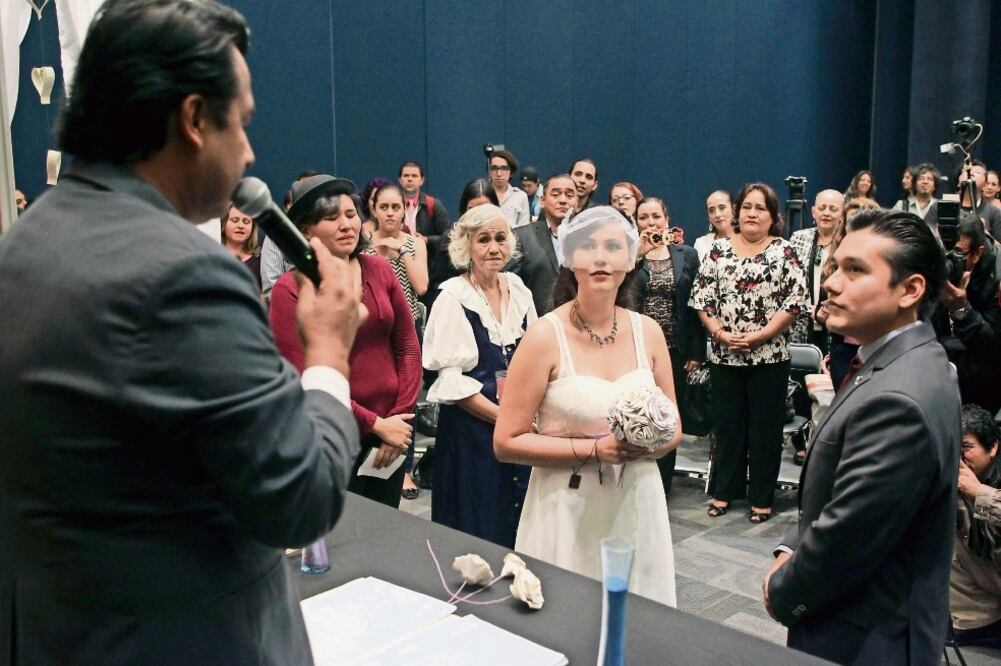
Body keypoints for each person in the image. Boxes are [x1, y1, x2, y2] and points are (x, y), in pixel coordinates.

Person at [0, 2, 363, 663]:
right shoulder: (182, 273)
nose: (250, 152)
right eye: (243, 123)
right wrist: (330, 353)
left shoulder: (28, 240)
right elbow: (299, 501)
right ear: (194, 119)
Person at [764, 209, 960, 665]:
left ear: (910, 290)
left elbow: (850, 537)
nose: (831, 283)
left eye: (855, 271)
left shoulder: (900, 398)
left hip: (869, 637)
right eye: (835, 266)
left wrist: (782, 589)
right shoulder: (906, 359)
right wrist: (790, 544)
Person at [495, 206, 681, 607]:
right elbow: (506, 441)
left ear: (630, 259)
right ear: (569, 259)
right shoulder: (545, 335)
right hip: (566, 504)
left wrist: (647, 444)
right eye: (589, 246)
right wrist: (594, 450)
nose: (601, 257)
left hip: (637, 496)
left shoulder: (647, 332)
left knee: (639, 618)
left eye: (613, 246)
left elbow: (675, 426)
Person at [270, 175, 421, 508]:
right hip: (335, 435)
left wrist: (401, 421)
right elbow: (300, 378)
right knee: (340, 539)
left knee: (383, 532)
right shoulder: (289, 290)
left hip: (394, 432)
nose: (346, 224)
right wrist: (376, 425)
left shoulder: (380, 269)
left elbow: (408, 347)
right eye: (331, 217)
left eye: (351, 214)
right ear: (306, 230)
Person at [689, 183, 808, 523]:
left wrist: (761, 336)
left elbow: (794, 302)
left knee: (765, 431)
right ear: (738, 213)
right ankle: (724, 492)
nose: (752, 213)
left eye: (761, 208)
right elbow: (702, 299)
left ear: (773, 217)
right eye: (747, 207)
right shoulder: (718, 250)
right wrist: (720, 334)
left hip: (769, 357)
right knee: (727, 428)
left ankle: (761, 498)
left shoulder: (785, 251)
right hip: (724, 356)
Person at [422, 204, 536, 547]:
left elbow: (535, 356)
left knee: (520, 520)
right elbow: (452, 384)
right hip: (472, 435)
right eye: (483, 239)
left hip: (517, 428)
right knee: (478, 520)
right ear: (466, 246)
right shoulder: (453, 297)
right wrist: (505, 419)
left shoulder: (518, 288)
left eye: (501, 238)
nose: (493, 248)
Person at [634, 196, 703, 498]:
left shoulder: (686, 254)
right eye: (644, 218)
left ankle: (663, 485)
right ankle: (636, 480)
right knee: (636, 413)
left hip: (674, 350)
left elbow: (696, 305)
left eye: (655, 217)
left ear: (666, 218)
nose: (651, 223)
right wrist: (637, 255)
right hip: (635, 349)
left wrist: (696, 351)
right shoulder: (629, 255)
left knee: (667, 416)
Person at [939, 214, 1001, 414]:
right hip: (939, 382)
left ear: (977, 254)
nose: (948, 259)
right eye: (944, 250)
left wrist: (961, 309)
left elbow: (995, 347)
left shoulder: (996, 278)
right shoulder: (935, 267)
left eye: (957, 253)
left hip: (981, 391)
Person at [952, 404, 1001, 648]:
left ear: (992, 447)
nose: (960, 459)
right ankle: (978, 625)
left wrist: (980, 493)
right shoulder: (953, 475)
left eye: (967, 449)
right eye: (955, 449)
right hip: (987, 578)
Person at [512, 173, 578, 315]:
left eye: (569, 195)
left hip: (577, 325)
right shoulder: (521, 237)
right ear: (542, 201)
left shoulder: (586, 240)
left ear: (577, 202)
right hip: (534, 325)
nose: (563, 200)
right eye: (555, 195)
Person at [789, 189, 843, 352]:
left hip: (835, 323)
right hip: (802, 322)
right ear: (813, 212)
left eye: (833, 209)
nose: (826, 213)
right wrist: (808, 310)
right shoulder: (798, 238)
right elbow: (790, 282)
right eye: (822, 208)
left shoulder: (848, 242)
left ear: (842, 214)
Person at [398, 160, 452, 303]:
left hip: (429, 271)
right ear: (400, 179)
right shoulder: (393, 205)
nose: (410, 179)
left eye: (414, 176)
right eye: (406, 175)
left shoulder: (433, 205)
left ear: (422, 180)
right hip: (399, 268)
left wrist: (427, 240)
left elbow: (450, 236)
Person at [220, 203, 261, 289]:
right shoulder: (213, 256)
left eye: (246, 222)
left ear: (252, 227)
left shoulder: (260, 260)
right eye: (235, 220)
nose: (240, 226)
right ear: (224, 223)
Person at [488, 149, 530, 229]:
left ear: (511, 172)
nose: (499, 174)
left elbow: (524, 230)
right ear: (489, 171)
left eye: (504, 168)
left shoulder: (520, 196)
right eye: (494, 168)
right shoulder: (481, 193)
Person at [693, 189, 736, 261]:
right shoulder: (702, 244)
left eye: (722, 208)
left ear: (734, 209)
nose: (717, 215)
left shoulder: (750, 239)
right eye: (711, 211)